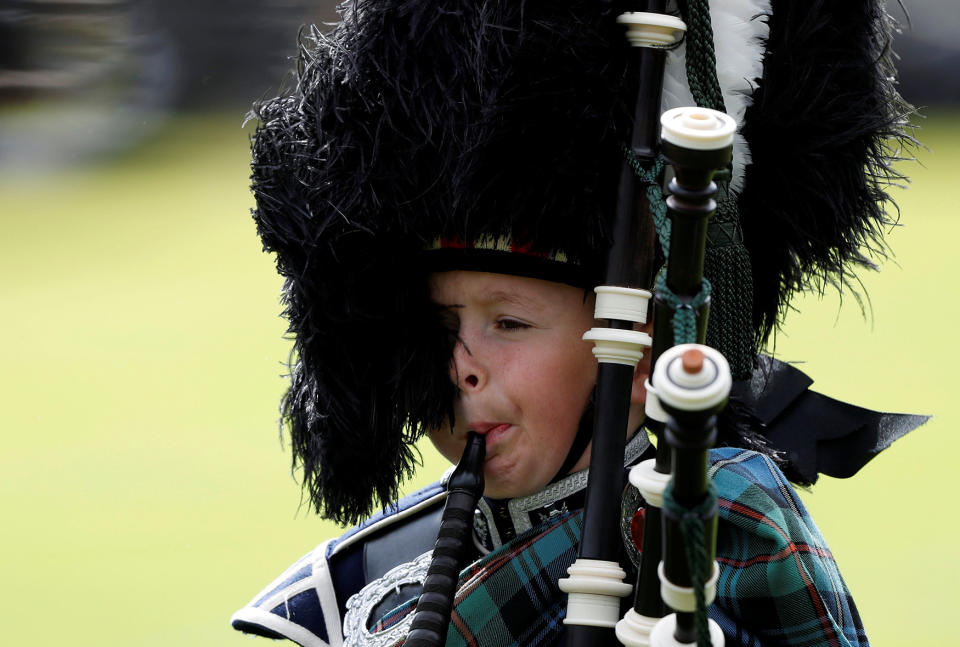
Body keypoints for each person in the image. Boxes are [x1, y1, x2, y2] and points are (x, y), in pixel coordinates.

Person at [230, 1, 923, 645]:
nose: (461, 364)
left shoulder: (729, 528)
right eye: (440, 324)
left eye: (509, 323)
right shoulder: (354, 586)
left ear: (647, 344)